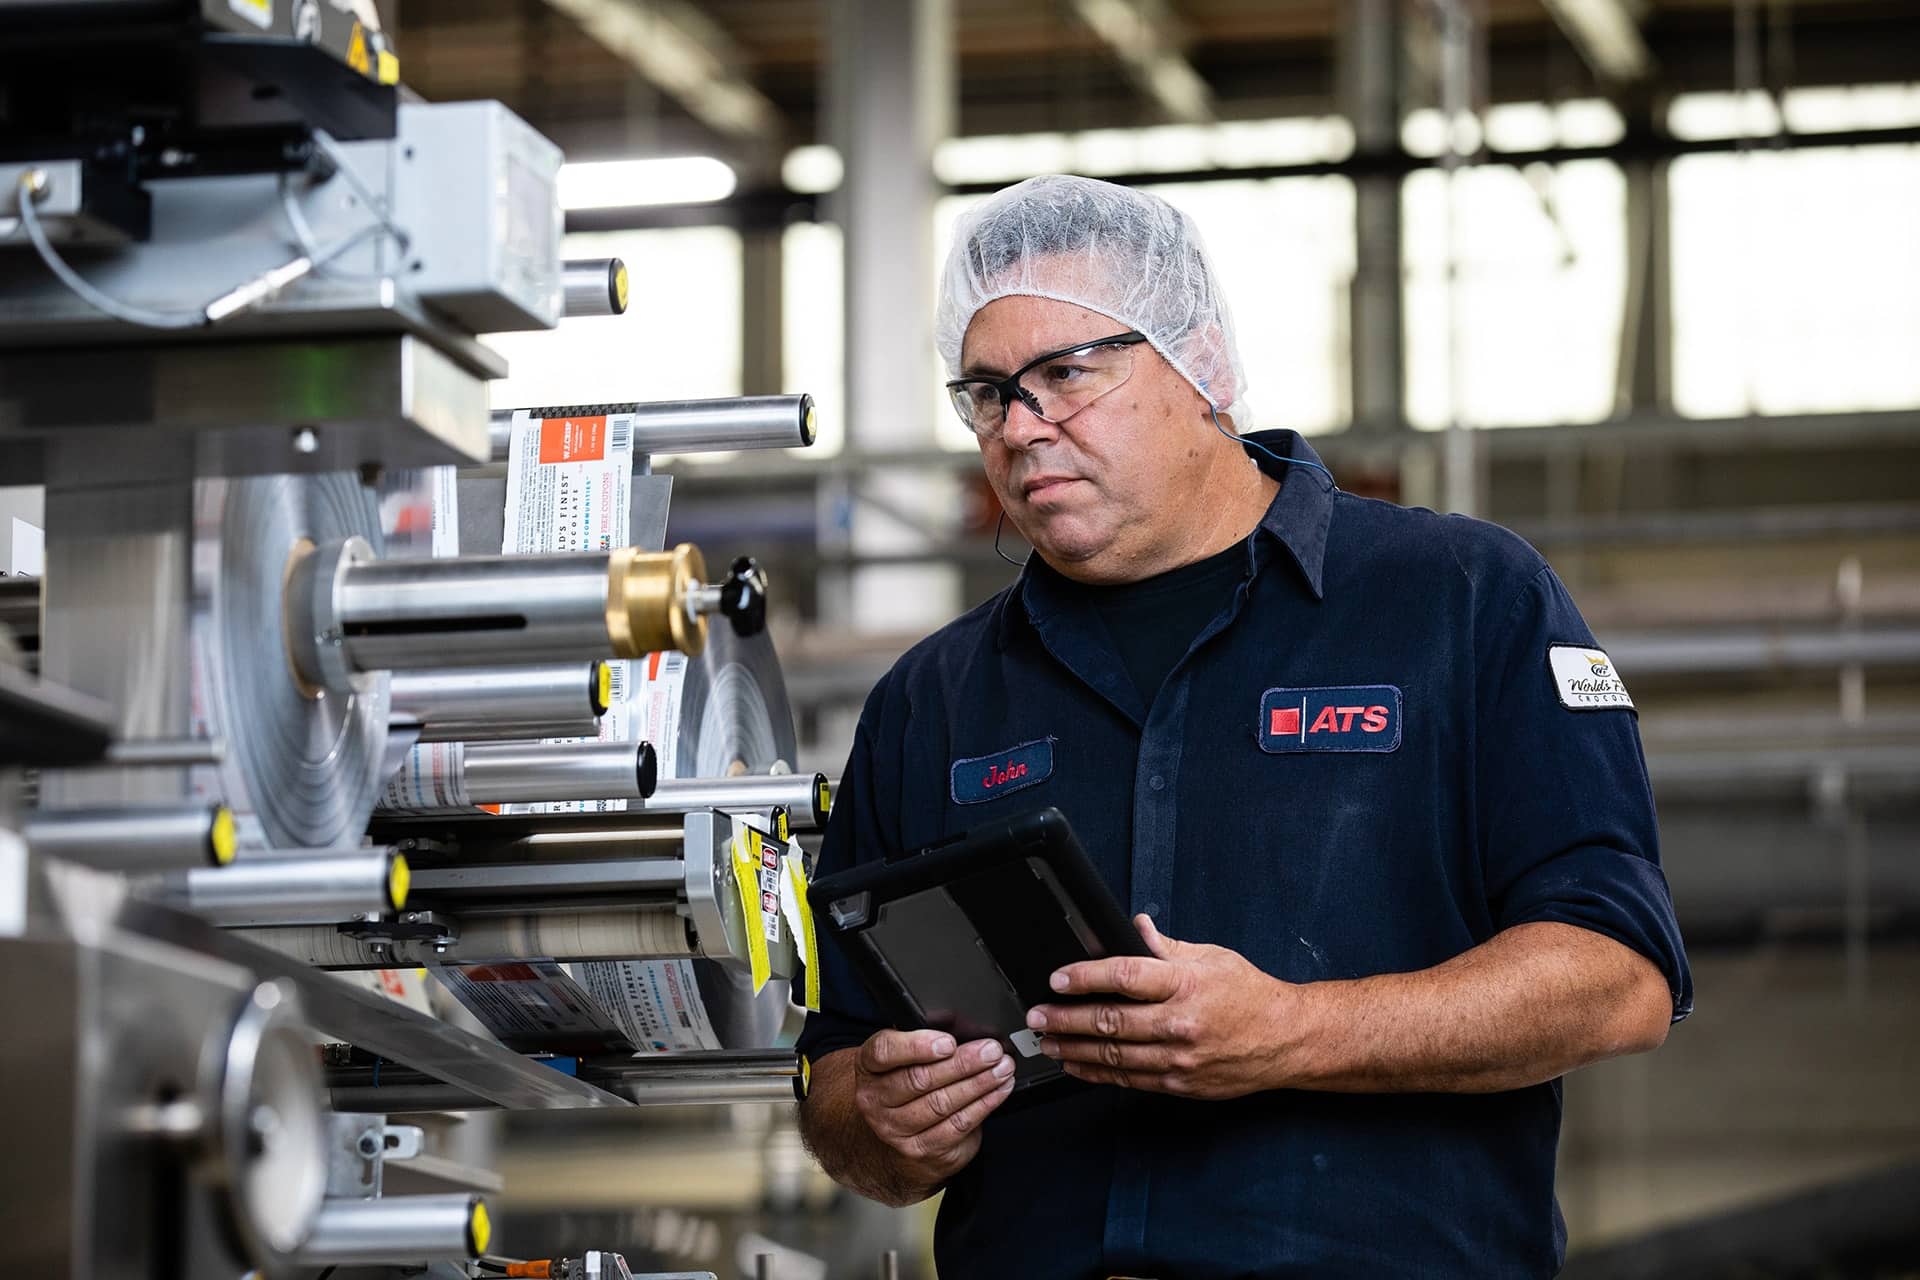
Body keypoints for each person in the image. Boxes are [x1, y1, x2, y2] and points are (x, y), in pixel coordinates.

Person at [795, 174, 1691, 1278]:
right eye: (987, 393)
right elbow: (836, 1075)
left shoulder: (1461, 599)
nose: (1023, 428)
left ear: (1199, 362)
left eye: (1065, 374)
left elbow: (1619, 975)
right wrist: (884, 1119)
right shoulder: (931, 700)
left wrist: (1292, 1029)